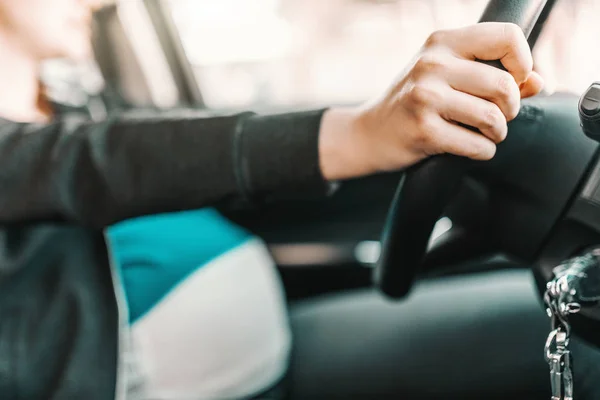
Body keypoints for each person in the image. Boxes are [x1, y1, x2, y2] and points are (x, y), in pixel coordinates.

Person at [0, 0, 581, 399]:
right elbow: (104, 160)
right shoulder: (43, 148)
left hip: (273, 339)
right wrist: (356, 134)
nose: (102, 2)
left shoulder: (70, 96)